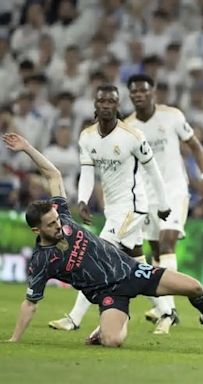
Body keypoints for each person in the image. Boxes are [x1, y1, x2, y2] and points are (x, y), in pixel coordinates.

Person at [3, 133, 203, 347]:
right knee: (113, 341)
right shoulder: (41, 261)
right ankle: (106, 328)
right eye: (51, 225)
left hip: (131, 271)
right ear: (37, 231)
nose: (59, 226)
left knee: (194, 287)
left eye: (57, 220)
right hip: (108, 294)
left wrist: (27, 148)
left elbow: (53, 175)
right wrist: (15, 339)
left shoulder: (62, 215)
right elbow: (30, 303)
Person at [48, 85, 174, 334]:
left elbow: (153, 171)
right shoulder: (87, 136)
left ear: (118, 105)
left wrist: (163, 205)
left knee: (96, 255)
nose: (106, 105)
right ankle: (167, 312)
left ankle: (74, 318)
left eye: (111, 101)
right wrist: (83, 201)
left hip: (134, 207)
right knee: (137, 261)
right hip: (112, 208)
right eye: (101, 101)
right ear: (95, 105)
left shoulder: (133, 135)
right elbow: (87, 172)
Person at [124, 73, 203, 328]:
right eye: (135, 92)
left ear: (153, 92)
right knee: (154, 251)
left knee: (167, 243)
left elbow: (195, 145)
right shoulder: (129, 127)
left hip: (174, 190)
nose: (139, 95)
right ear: (130, 96)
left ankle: (169, 311)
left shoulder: (172, 116)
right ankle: (162, 305)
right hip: (147, 194)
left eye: (144, 91)